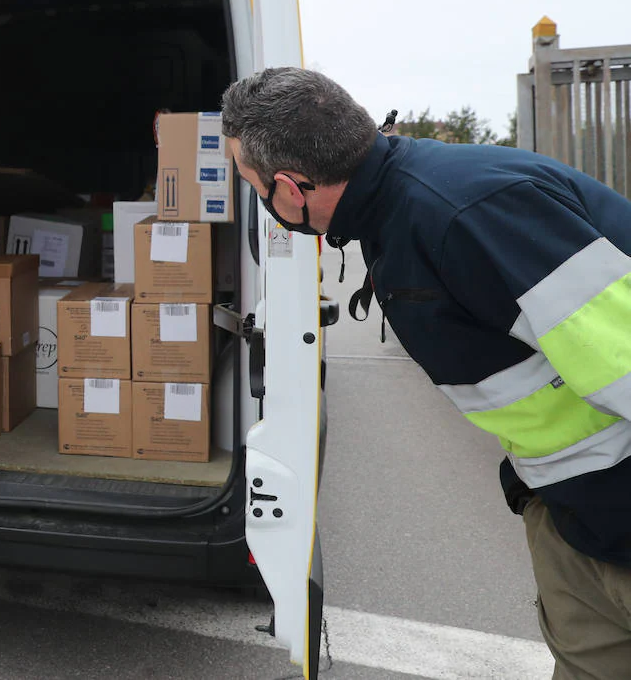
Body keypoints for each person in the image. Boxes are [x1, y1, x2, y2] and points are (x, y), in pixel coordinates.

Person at [221, 65, 631, 678]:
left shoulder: (467, 214)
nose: (261, 202)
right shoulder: (395, 210)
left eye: (253, 185)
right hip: (577, 512)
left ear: (290, 186)